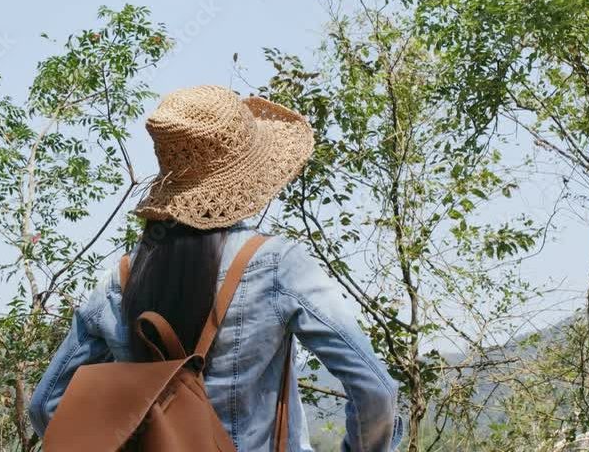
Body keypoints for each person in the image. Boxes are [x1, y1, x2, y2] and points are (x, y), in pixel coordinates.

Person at [28, 85, 403, 451]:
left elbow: (46, 405)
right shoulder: (277, 264)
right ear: (246, 174)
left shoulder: (122, 278)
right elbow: (375, 389)